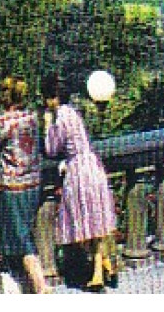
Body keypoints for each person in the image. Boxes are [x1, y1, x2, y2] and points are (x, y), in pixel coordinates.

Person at [0, 77, 48, 295]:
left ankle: (40, 285)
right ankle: (26, 283)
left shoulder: (2, 122)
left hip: (12, 187)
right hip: (33, 183)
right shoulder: (32, 119)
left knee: (20, 237)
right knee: (23, 232)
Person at [41, 75, 117, 291]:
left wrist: (47, 125)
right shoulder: (74, 112)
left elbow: (52, 148)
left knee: (84, 220)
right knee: (96, 219)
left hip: (78, 171)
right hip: (92, 165)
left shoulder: (60, 117)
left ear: (53, 98)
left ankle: (97, 272)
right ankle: (103, 263)